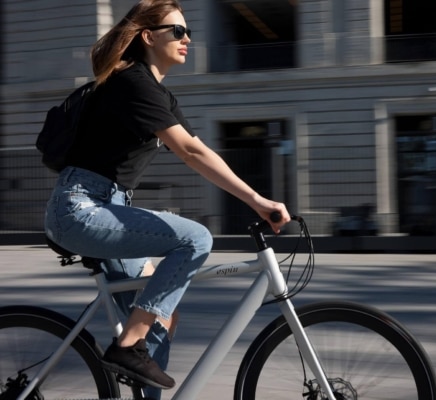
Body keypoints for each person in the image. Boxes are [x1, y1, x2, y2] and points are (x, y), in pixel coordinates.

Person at [44, 0, 290, 399]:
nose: (186, 38)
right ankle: (127, 346)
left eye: (187, 31)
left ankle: (136, 351)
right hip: (82, 208)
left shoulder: (156, 92)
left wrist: (254, 198)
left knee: (160, 320)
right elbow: (190, 155)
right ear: (148, 37)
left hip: (108, 208)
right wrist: (258, 200)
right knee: (195, 239)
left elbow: (198, 147)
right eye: (177, 31)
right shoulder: (131, 82)